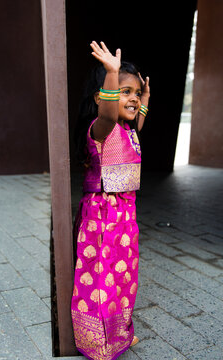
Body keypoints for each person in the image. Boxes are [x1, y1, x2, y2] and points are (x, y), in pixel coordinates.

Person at [71, 40, 150, 360]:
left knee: (123, 280)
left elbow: (139, 120)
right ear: (102, 96)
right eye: (124, 91)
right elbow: (108, 111)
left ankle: (118, 336)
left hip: (126, 218)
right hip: (102, 218)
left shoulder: (129, 129)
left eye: (135, 92)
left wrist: (143, 101)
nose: (131, 98)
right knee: (100, 281)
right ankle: (97, 344)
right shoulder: (101, 128)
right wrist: (112, 73)